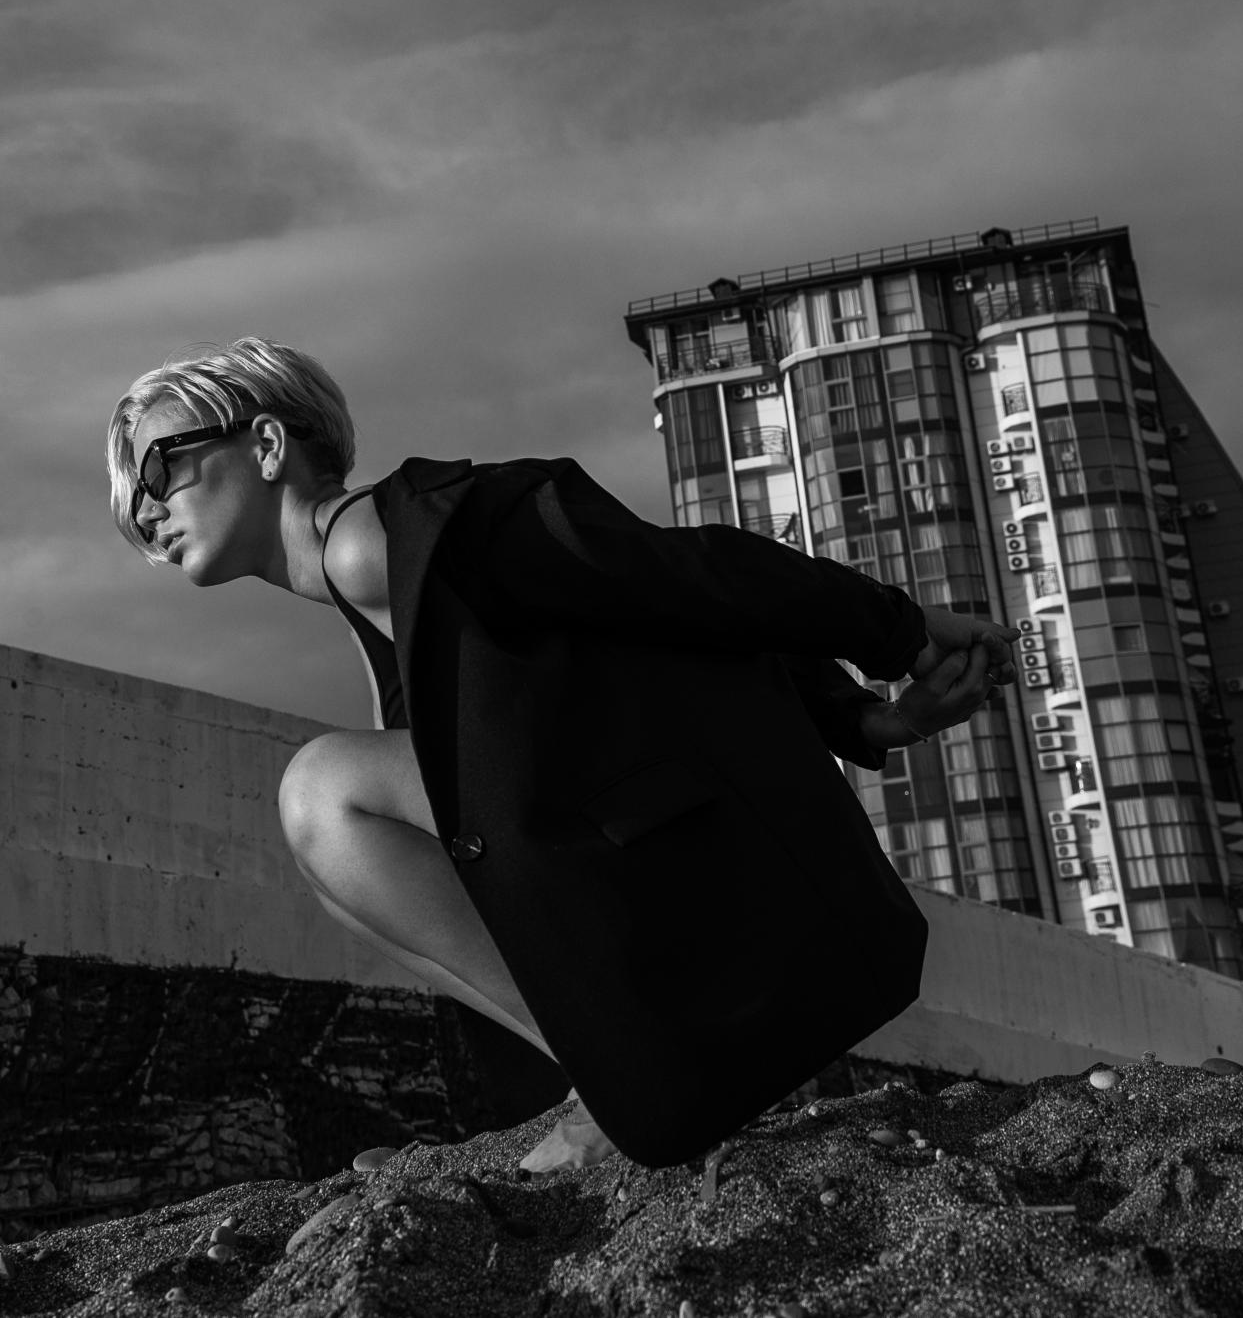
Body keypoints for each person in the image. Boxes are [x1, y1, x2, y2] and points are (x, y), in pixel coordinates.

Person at [107, 336, 1018, 1172]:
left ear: (268, 444)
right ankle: (617, 1082)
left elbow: (683, 575)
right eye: (132, 508)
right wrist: (870, 723)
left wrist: (897, 637)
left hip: (742, 907)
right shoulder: (375, 596)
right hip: (677, 919)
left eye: (158, 468)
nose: (148, 511)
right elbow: (659, 631)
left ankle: (625, 1080)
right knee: (339, 859)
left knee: (323, 793)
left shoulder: (404, 534)